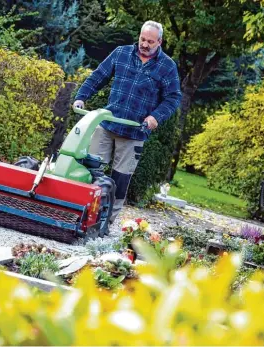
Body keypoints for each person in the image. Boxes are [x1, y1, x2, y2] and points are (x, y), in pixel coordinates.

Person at [73, 20, 182, 224]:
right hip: (107, 124)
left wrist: (155, 117)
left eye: (150, 41)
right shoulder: (121, 53)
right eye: (142, 39)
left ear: (159, 42)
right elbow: (98, 76)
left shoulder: (167, 66)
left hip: (134, 132)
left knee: (120, 179)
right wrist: (81, 96)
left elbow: (173, 97)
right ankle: (81, 212)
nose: (145, 44)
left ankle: (107, 221)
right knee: (91, 170)